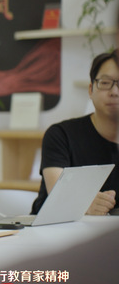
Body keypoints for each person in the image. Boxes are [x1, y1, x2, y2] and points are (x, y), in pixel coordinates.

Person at [31, 51, 119, 215]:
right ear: (91, 90)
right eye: (105, 83)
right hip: (56, 228)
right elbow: (59, 196)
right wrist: (84, 205)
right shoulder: (61, 135)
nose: (114, 91)